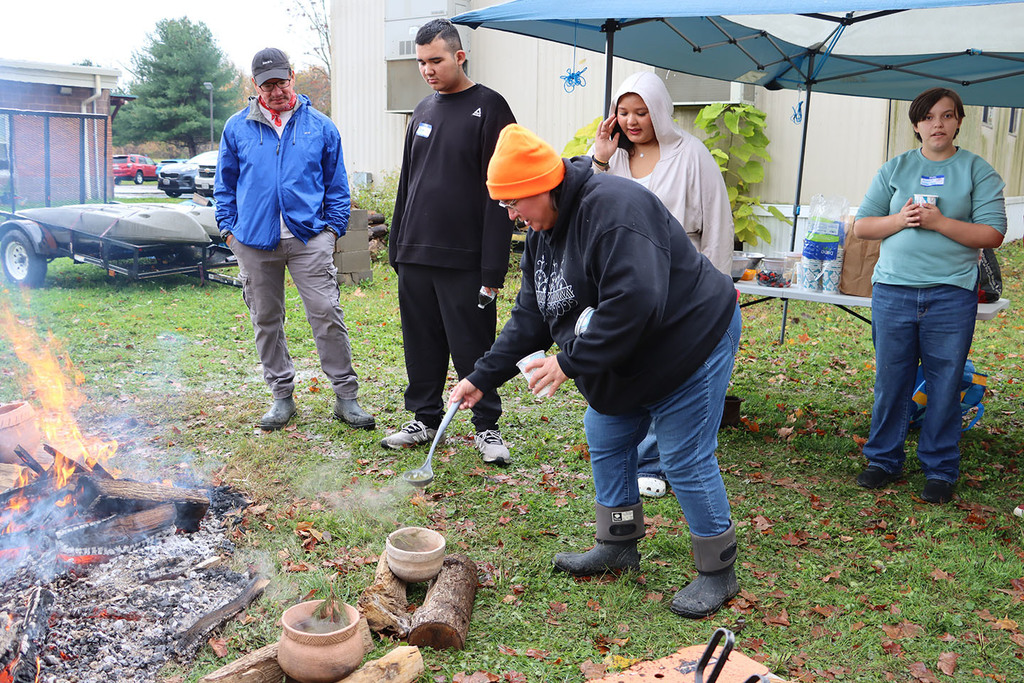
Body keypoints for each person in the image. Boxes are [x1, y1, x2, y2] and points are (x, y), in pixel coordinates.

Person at [450, 124, 743, 618]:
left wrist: (568, 363)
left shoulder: (614, 210)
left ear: (544, 185)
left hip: (691, 336)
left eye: (515, 204)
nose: (513, 216)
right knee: (605, 430)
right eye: (505, 208)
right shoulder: (545, 232)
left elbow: (635, 303)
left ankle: (718, 572)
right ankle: (619, 544)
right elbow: (532, 314)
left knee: (683, 456)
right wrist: (482, 376)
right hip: (632, 349)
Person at [853, 87, 1005, 504]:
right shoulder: (895, 169)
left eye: (947, 116)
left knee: (944, 383)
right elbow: (863, 227)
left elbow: (993, 233)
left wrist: (939, 223)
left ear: (958, 122)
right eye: (929, 117)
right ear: (916, 124)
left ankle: (939, 468)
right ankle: (883, 460)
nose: (937, 124)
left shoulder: (977, 170)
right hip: (893, 291)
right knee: (891, 380)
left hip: (950, 293)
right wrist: (900, 218)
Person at [591, 71, 735, 499]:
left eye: (642, 112)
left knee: (674, 366)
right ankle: (634, 455)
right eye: (624, 111)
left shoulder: (691, 154)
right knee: (633, 363)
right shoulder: (611, 155)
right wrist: (599, 157)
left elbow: (717, 221)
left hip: (684, 280)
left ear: (661, 112)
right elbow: (586, 206)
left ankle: (655, 460)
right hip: (624, 281)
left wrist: (718, 284)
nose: (632, 121)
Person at [215, 47, 374, 432]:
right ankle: (281, 397)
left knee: (326, 314)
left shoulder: (320, 126)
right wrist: (230, 232)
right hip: (254, 242)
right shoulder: (237, 127)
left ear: (293, 78)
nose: (275, 91)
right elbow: (225, 186)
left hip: (309, 240)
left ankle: (346, 397)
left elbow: (337, 186)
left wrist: (331, 230)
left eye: (281, 82)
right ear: (255, 86)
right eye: (267, 84)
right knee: (266, 319)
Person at [383, 19, 517, 465]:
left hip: (466, 259)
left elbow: (503, 191)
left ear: (460, 56)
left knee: (473, 347)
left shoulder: (491, 107)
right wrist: (396, 246)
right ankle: (423, 417)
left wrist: (493, 268)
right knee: (420, 343)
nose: (428, 69)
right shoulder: (422, 110)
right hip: (416, 254)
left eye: (436, 60)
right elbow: (409, 183)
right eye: (421, 62)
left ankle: (487, 428)